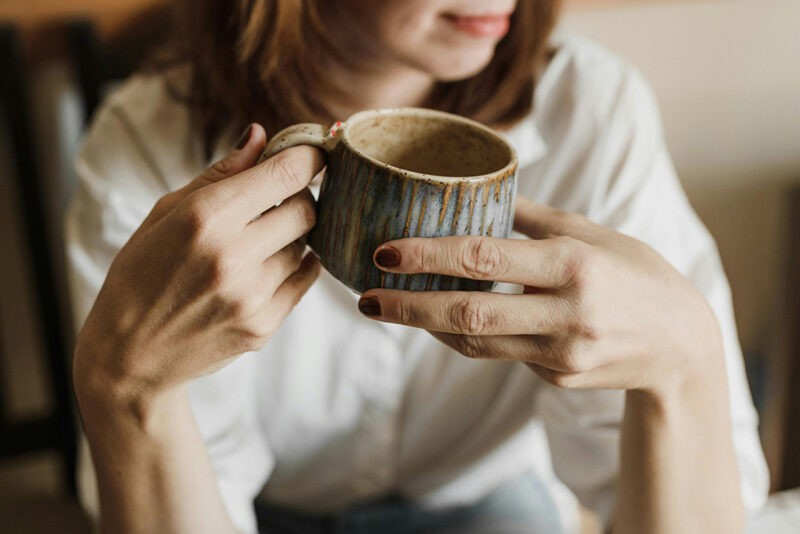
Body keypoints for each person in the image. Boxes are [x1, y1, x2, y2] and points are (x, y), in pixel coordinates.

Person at [66, 0, 769, 532]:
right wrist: (125, 395)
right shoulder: (143, 155)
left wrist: (687, 365)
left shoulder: (591, 113)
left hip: (488, 502)